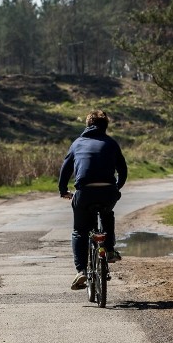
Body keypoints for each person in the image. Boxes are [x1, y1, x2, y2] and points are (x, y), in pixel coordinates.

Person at [58, 110, 128, 290]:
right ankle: (110, 250)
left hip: (85, 192)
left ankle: (81, 270)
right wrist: (116, 188)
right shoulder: (112, 143)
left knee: (80, 231)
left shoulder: (77, 143)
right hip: (108, 192)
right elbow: (123, 170)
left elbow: (65, 170)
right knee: (107, 214)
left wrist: (63, 190)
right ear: (106, 126)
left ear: (88, 125)